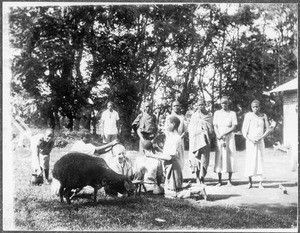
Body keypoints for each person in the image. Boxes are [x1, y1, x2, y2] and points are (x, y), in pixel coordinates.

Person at [150, 116, 207, 199]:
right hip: (168, 166)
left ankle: (198, 191)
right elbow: (166, 153)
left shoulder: (176, 138)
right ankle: (190, 188)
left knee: (174, 194)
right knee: (170, 192)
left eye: (168, 124)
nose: (166, 127)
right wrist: (158, 151)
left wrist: (153, 156)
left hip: (173, 167)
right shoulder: (171, 137)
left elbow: (170, 157)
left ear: (173, 124)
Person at [242, 100, 272, 189]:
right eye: (254, 107)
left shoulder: (263, 116)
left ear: (260, 107)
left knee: (260, 160)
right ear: (251, 108)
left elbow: (268, 129)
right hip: (250, 141)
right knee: (250, 160)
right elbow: (244, 130)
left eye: (257, 106)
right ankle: (250, 182)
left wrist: (261, 137)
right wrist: (251, 139)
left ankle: (260, 183)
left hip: (260, 141)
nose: (256, 108)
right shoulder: (248, 116)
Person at [213, 96, 237, 186]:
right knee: (219, 156)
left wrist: (224, 134)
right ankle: (219, 181)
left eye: (226, 103)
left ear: (228, 103)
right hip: (219, 136)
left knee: (229, 156)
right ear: (220, 104)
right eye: (222, 103)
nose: (224, 105)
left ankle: (229, 180)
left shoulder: (232, 113)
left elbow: (234, 126)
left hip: (229, 136)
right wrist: (218, 135)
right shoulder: (217, 113)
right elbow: (215, 125)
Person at [188, 99, 213, 185]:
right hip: (196, 142)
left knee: (204, 160)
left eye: (202, 105)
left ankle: (202, 178)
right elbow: (190, 129)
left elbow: (211, 129)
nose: (200, 106)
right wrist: (199, 129)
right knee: (196, 159)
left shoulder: (209, 115)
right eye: (199, 105)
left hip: (205, 142)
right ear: (197, 106)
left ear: (205, 105)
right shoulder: (194, 116)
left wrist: (205, 128)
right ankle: (197, 177)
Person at [164, 100, 187, 168]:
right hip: (170, 139)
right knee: (169, 155)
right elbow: (166, 130)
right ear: (172, 107)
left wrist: (180, 138)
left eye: (177, 106)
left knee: (179, 156)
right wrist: (169, 138)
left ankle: (179, 173)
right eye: (174, 106)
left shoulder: (182, 117)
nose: (176, 107)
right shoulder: (168, 117)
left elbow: (185, 130)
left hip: (179, 139)